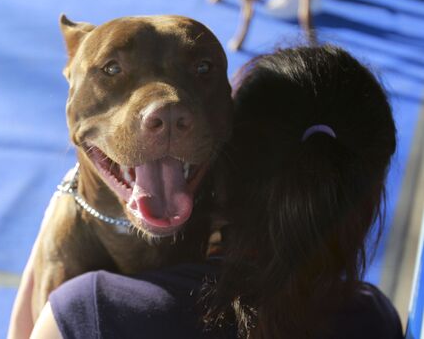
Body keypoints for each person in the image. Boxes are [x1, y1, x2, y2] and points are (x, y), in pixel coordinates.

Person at [29, 45, 403, 339]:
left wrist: (66, 199)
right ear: (368, 201)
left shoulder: (93, 313)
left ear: (225, 164)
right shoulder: (375, 321)